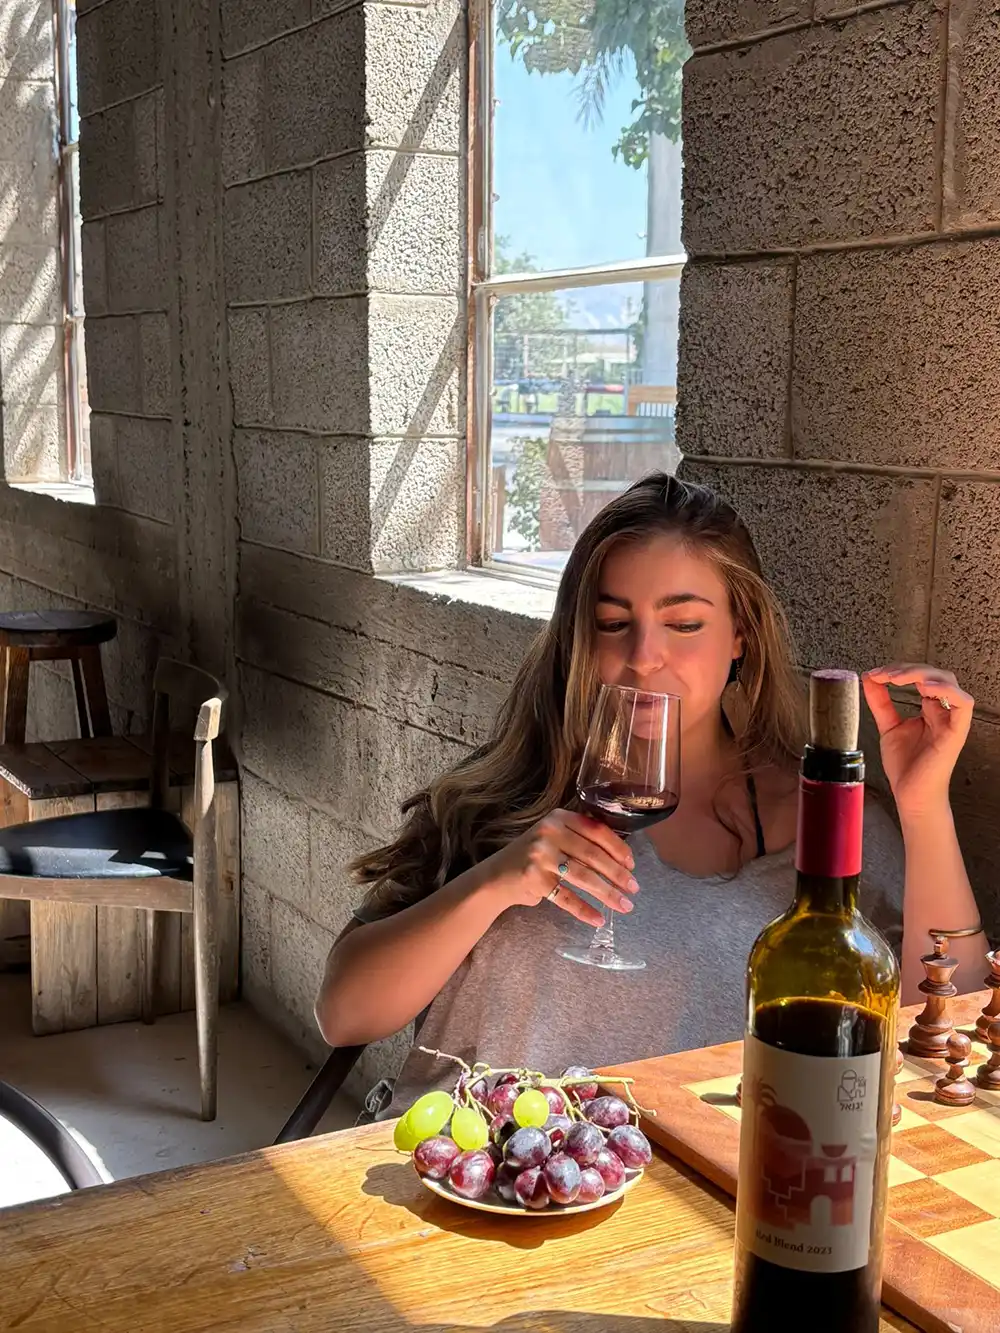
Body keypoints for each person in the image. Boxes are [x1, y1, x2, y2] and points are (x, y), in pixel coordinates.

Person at [315, 473, 987, 1115]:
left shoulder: (827, 824)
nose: (643, 655)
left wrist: (923, 805)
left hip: (690, 1182)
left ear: (741, 635)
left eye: (684, 624)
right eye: (613, 623)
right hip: (468, 1170)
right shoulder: (501, 795)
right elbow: (343, 1014)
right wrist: (493, 883)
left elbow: (949, 1015)